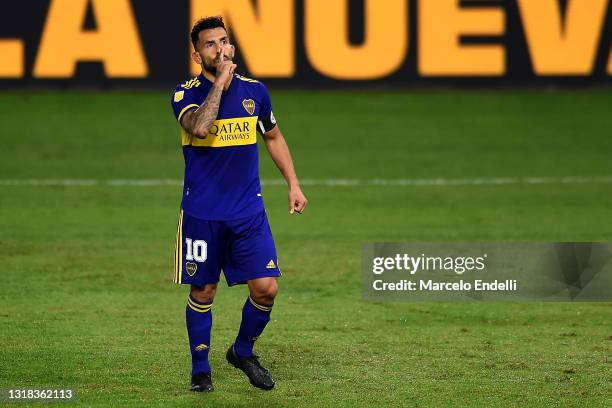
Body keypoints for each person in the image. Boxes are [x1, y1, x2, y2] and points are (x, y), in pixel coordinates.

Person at [170, 16, 308, 392]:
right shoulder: (184, 95)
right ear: (198, 55)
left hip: (248, 212)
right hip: (202, 214)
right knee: (204, 292)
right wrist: (220, 86)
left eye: (223, 41)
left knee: (266, 288)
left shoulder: (256, 93)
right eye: (210, 44)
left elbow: (274, 137)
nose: (219, 49)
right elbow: (200, 127)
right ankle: (201, 370)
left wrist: (293, 184)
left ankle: (242, 351)